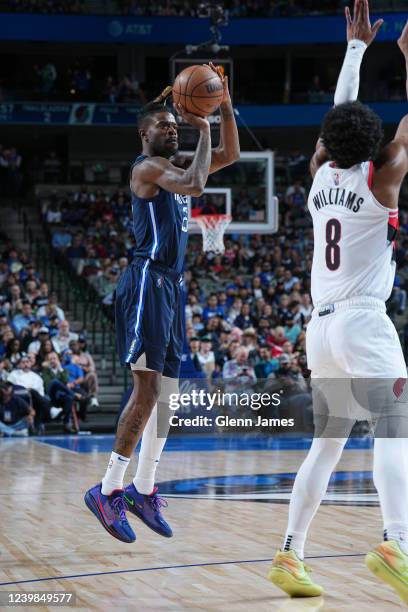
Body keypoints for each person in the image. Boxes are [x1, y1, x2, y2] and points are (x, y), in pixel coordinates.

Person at [268, 4, 408, 604]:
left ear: (328, 144)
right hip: (360, 322)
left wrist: (355, 51)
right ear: (372, 144)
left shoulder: (320, 177)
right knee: (397, 429)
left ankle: (290, 553)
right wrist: (405, 55)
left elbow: (336, 122)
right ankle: (396, 542)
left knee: (326, 446)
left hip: (319, 331)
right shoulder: (384, 178)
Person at [84, 63, 240, 543]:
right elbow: (196, 184)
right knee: (147, 391)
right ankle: (108, 490)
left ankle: (143, 489)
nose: (172, 132)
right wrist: (202, 125)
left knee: (168, 394)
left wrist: (225, 107)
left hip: (172, 287)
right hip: (147, 281)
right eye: (164, 128)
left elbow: (230, 154)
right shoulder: (147, 169)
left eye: (175, 127)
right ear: (143, 135)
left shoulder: (175, 166)